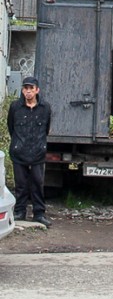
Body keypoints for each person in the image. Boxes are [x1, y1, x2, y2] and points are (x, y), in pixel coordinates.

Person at [8, 76, 52, 227]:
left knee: (37, 184)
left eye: (31, 89)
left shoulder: (45, 108)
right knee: (20, 184)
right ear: (22, 90)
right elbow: (11, 128)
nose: (28, 92)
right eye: (26, 89)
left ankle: (39, 214)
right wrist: (18, 143)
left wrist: (39, 144)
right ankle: (20, 212)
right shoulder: (15, 107)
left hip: (37, 153)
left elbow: (46, 129)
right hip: (19, 152)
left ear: (37, 90)